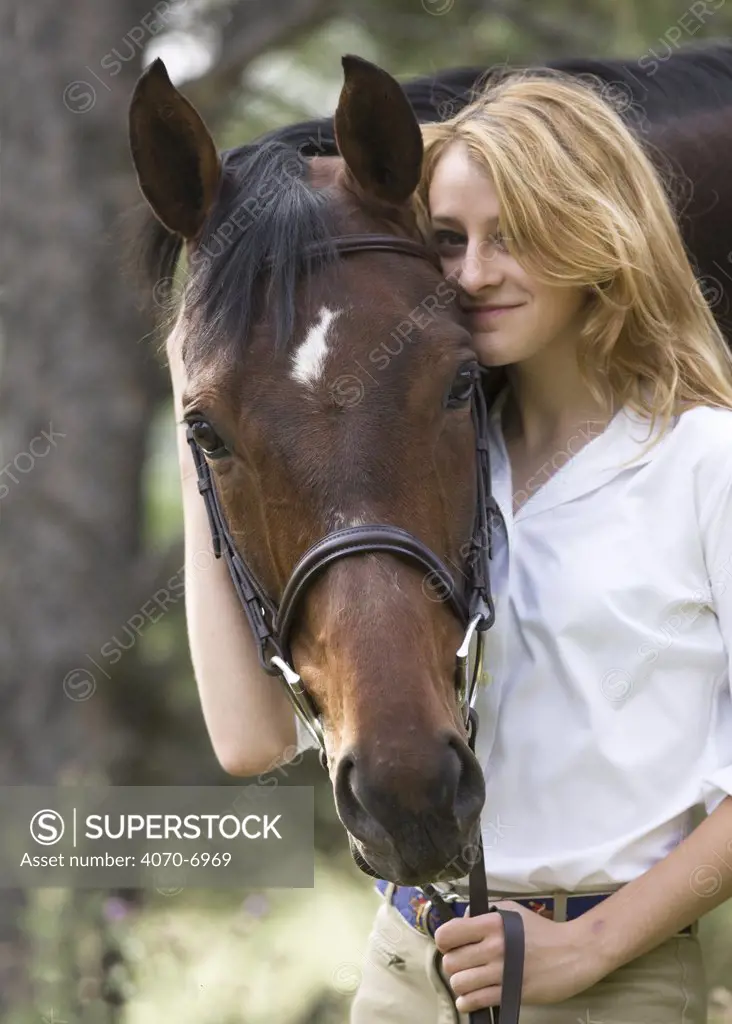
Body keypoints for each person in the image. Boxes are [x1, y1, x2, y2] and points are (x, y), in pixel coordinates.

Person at [167, 69, 732, 1023]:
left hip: (606, 977)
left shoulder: (703, 460)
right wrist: (197, 408)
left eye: (514, 236)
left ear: (600, 234)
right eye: (449, 240)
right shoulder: (442, 469)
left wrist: (588, 947)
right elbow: (249, 738)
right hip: (403, 967)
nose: (473, 273)